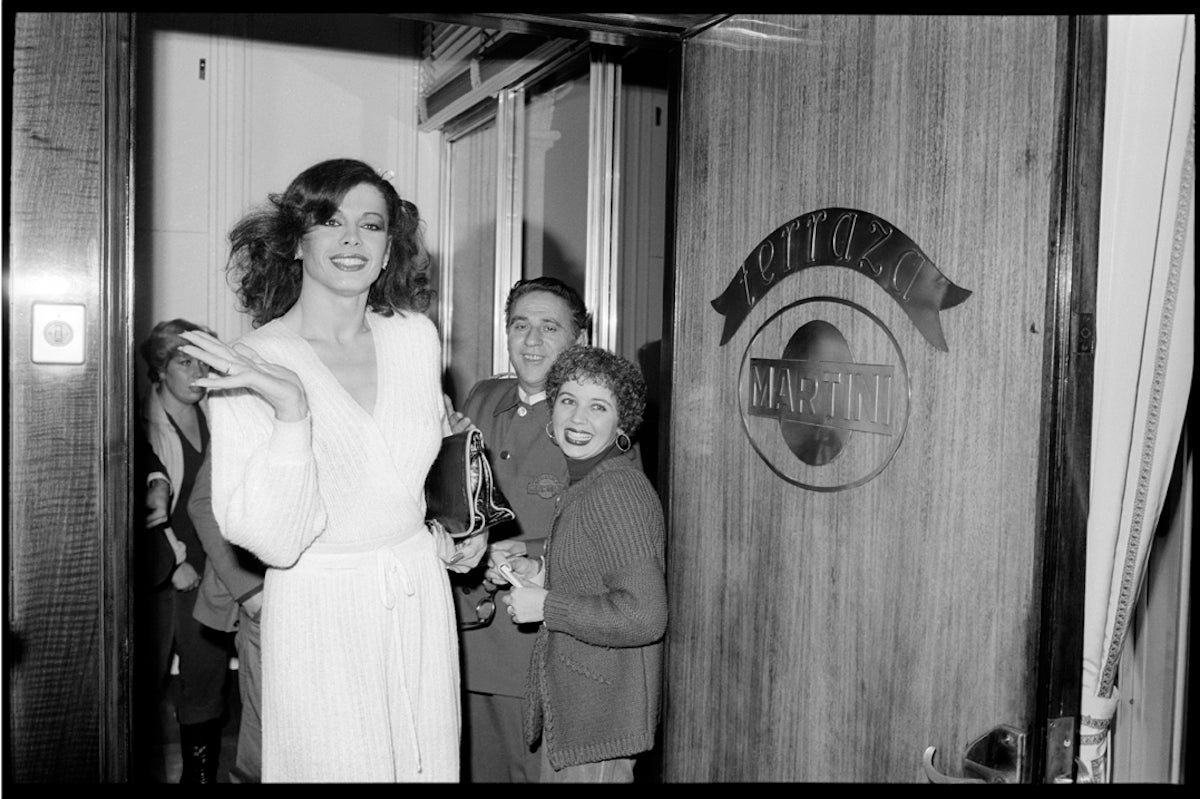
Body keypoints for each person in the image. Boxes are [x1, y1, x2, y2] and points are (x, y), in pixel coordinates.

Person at [178, 158, 486, 782]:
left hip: (417, 593)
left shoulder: (415, 338)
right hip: (321, 607)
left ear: (388, 245)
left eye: (371, 225)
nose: (352, 239)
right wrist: (292, 412)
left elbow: (420, 468)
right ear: (296, 240)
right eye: (330, 221)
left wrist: (460, 528)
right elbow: (271, 539)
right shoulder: (252, 363)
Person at [490, 346, 667, 783]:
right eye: (568, 400)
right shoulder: (589, 479)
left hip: (599, 724)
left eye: (598, 406)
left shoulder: (616, 490)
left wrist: (546, 606)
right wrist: (538, 571)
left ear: (622, 423)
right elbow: (595, 576)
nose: (577, 418)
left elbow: (645, 615)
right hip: (581, 715)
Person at [453, 277, 589, 782]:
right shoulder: (482, 399)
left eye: (549, 327)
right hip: (468, 642)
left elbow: (613, 536)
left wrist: (527, 550)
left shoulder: (597, 415)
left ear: (577, 340)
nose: (531, 341)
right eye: (520, 325)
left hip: (537, 653)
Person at [138, 318, 234, 784]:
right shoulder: (138, 425)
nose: (196, 373)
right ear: (161, 368)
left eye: (202, 362)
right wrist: (174, 561)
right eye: (183, 361)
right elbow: (132, 508)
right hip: (159, 577)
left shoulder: (219, 416)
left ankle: (200, 779)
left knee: (206, 686)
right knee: (142, 686)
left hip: (211, 572)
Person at [189, 450, 266, 783]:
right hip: (273, 602)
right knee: (264, 749)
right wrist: (250, 592)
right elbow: (204, 503)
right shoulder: (249, 399)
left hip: (346, 600)